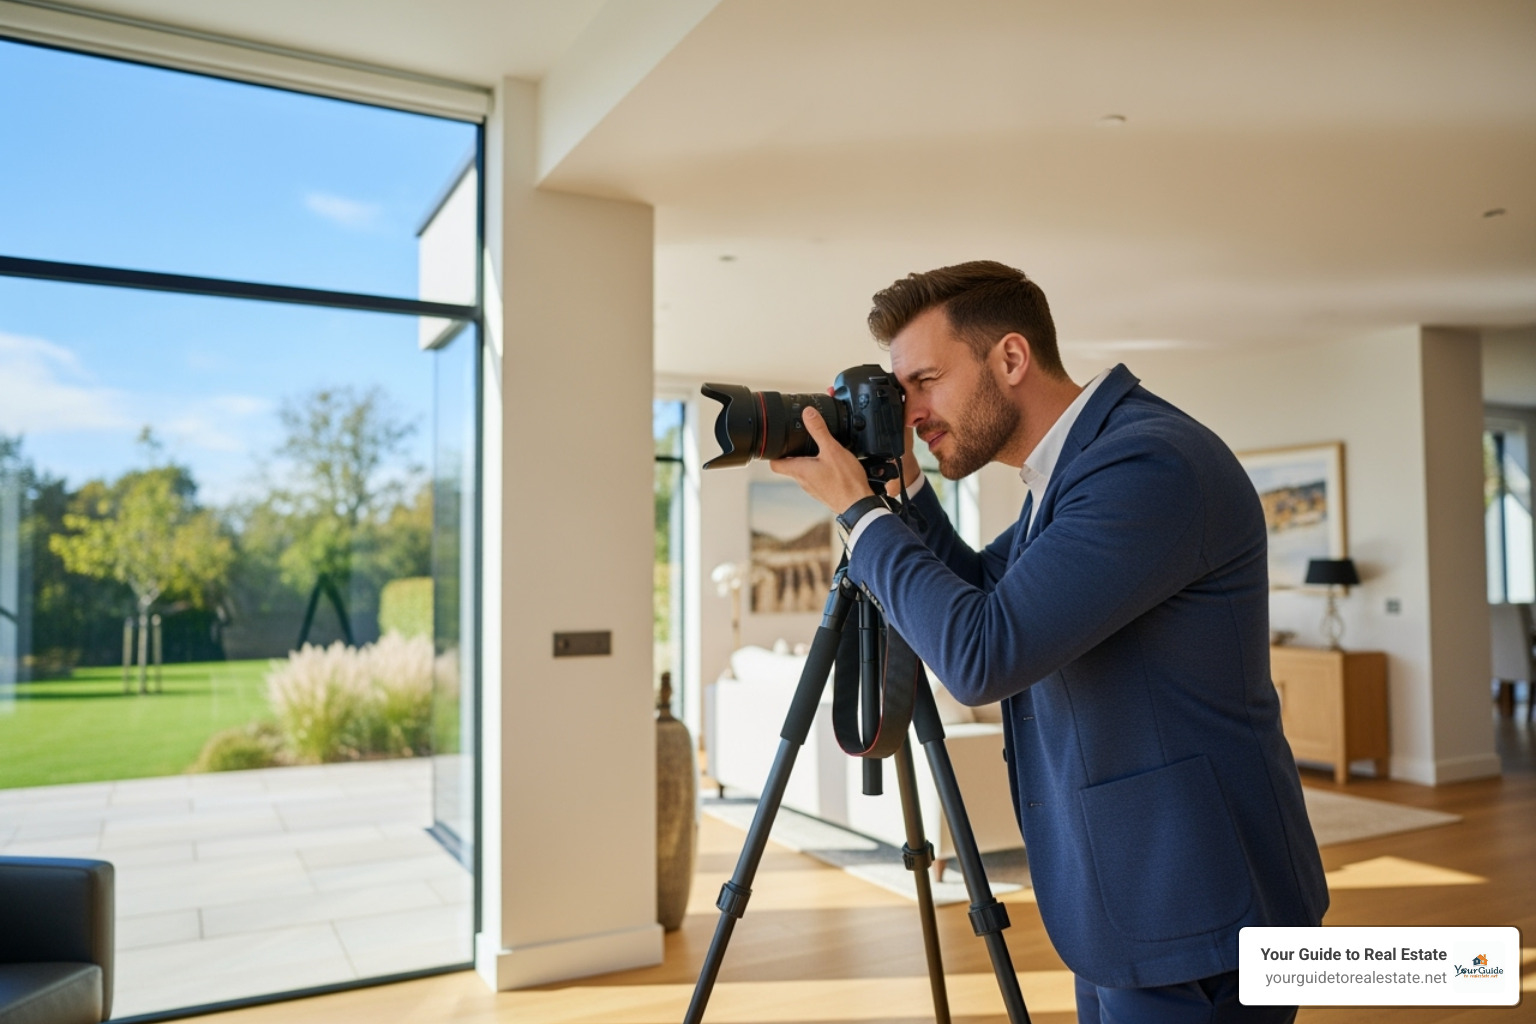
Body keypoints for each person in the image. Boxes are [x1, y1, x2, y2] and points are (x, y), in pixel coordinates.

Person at [770, 261, 1327, 1024]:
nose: (914, 412)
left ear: (1010, 358)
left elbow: (982, 653)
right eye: (902, 394)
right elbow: (982, 590)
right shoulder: (1071, 476)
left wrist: (861, 516)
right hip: (1124, 901)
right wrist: (903, 486)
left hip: (1198, 910)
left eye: (926, 381)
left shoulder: (1146, 464)